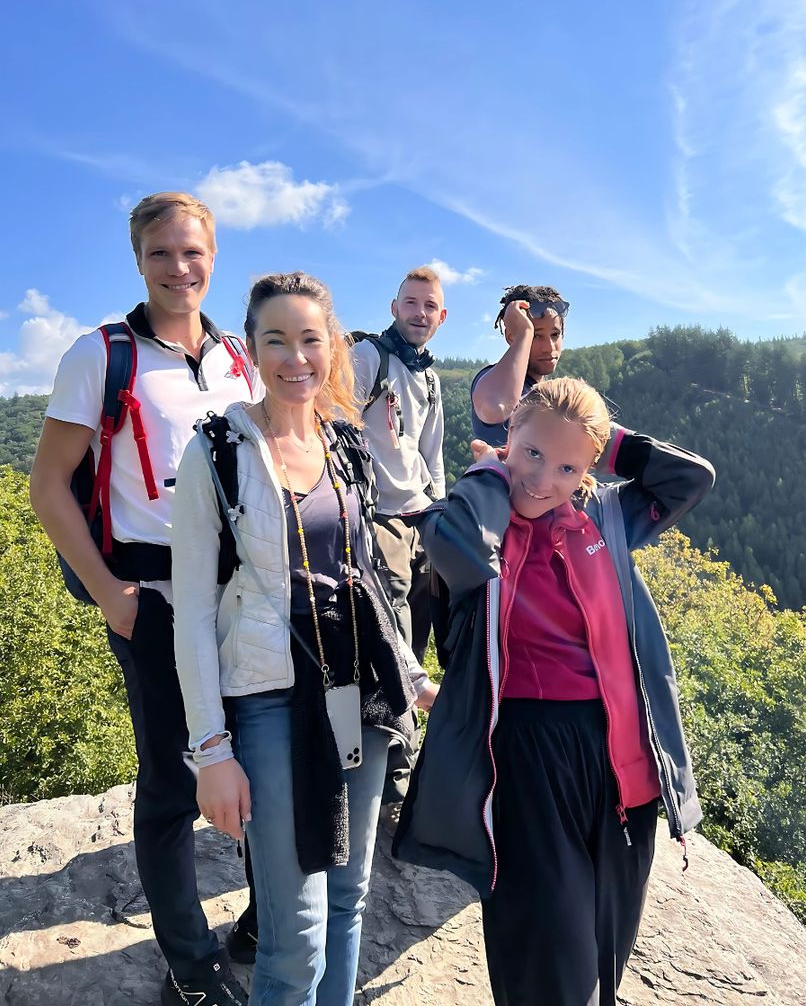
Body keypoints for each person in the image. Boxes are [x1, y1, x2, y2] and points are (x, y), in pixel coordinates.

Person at [394, 377, 715, 1006]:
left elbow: (691, 478)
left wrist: (601, 439)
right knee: (546, 944)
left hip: (617, 753)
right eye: (533, 453)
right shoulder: (472, 514)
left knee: (606, 941)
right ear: (507, 435)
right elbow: (460, 552)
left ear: (592, 467)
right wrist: (491, 477)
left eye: (569, 466)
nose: (543, 479)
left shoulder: (608, 517)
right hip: (525, 752)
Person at [172, 272, 436, 1006]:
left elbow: (365, 580)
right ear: (250, 349)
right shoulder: (217, 452)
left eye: (310, 339)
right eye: (275, 340)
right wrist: (212, 753)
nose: (296, 358)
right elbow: (192, 611)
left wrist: (412, 674)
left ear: (333, 347)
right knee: (298, 933)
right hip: (271, 705)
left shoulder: (346, 445)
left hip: (359, 696)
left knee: (349, 902)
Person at [29, 192, 257, 1006]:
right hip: (151, 595)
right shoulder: (102, 354)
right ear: (138, 260)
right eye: (161, 253)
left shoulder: (238, 356)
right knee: (171, 780)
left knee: (256, 753)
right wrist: (110, 595)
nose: (179, 268)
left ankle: (264, 921)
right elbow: (48, 487)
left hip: (241, 596)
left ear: (213, 254)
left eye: (192, 252)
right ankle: (191, 966)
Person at [349, 266, 447, 802]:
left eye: (429, 306)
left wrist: (441, 516)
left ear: (441, 316)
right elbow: (337, 423)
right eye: (411, 303)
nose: (419, 314)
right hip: (378, 517)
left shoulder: (429, 376)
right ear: (394, 307)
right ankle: (393, 772)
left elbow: (430, 456)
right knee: (396, 639)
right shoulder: (369, 358)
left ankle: (400, 762)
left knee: (422, 635)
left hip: (420, 519)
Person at [470, 283, 569, 446]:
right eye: (537, 336)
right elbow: (496, 407)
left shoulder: (550, 394)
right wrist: (525, 332)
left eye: (555, 334)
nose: (549, 347)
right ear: (511, 337)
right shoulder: (492, 380)